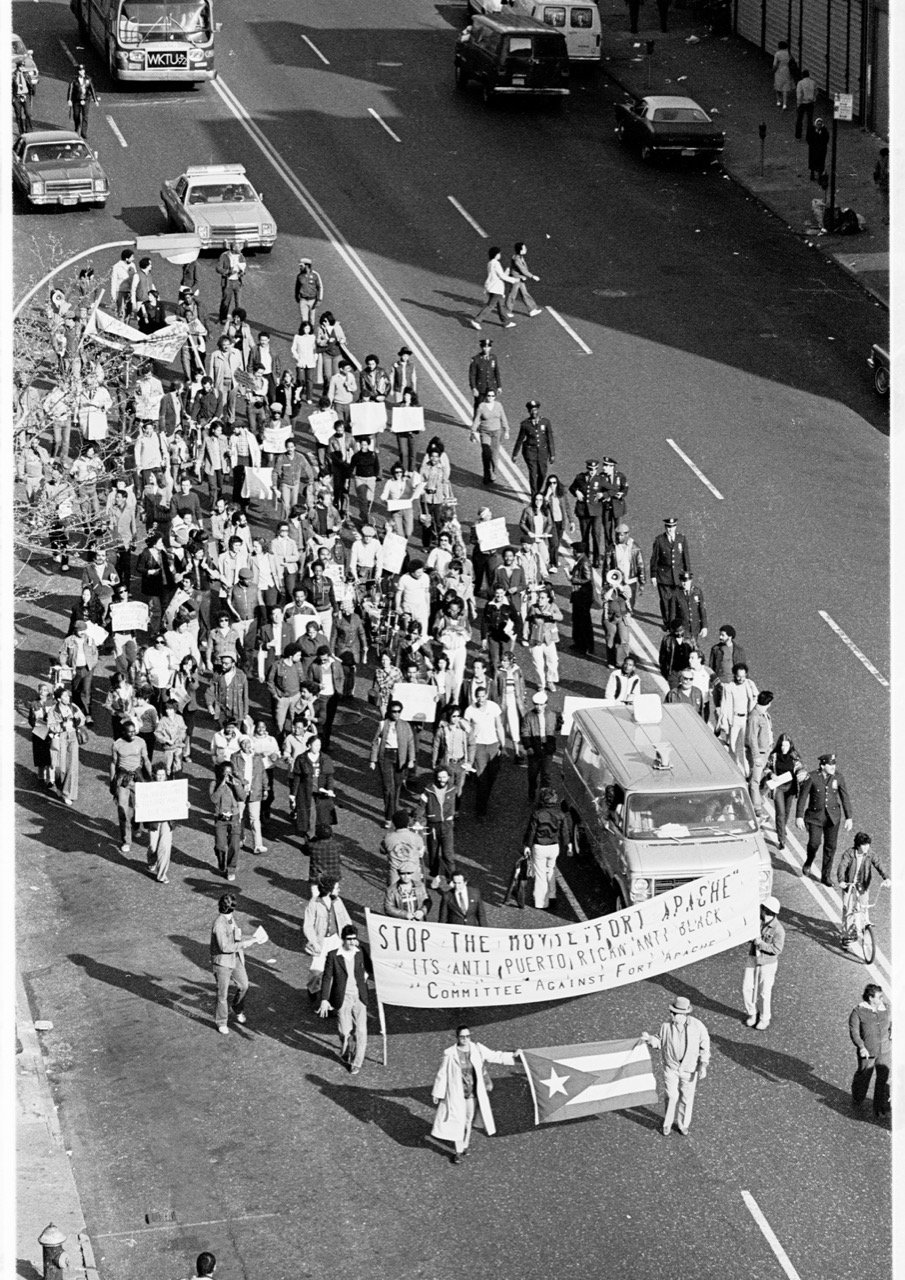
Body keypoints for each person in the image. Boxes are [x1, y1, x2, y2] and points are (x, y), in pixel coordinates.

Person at [431, 1027, 518, 1163]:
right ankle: (458, 1151)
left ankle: (465, 1144)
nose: (465, 1039)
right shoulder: (449, 1053)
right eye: (462, 1037)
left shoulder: (477, 1049)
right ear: (457, 1038)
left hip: (472, 1092)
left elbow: (495, 1055)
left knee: (468, 1120)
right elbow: (442, 1074)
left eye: (467, 1036)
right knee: (458, 1120)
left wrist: (513, 1055)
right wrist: (437, 1093)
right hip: (457, 1093)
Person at [641, 996, 711, 1136]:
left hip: (689, 1069)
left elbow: (705, 1047)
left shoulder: (698, 1027)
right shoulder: (666, 1026)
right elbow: (659, 1041)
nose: (671, 1015)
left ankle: (683, 1124)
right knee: (671, 1096)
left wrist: (703, 1065)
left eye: (674, 1013)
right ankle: (667, 1124)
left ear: (683, 1014)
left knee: (686, 1097)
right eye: (671, 1012)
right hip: (671, 1067)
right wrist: (649, 1039)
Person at [317, 925, 371, 1075]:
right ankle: (347, 1049)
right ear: (343, 939)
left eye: (355, 939)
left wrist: (365, 951)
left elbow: (371, 968)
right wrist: (324, 999)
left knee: (361, 1031)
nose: (352, 942)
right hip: (342, 997)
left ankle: (356, 1062)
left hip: (360, 997)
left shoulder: (360, 953)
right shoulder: (333, 955)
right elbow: (327, 977)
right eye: (349, 939)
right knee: (344, 1031)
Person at [795, 752, 853, 884]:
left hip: (833, 818)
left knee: (830, 847)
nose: (833, 767)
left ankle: (825, 876)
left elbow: (845, 797)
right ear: (822, 765)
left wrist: (849, 817)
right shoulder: (812, 777)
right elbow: (803, 797)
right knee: (814, 843)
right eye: (830, 764)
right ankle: (809, 861)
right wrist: (799, 816)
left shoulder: (838, 777)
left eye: (834, 764)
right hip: (815, 817)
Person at [210, 893, 261, 1035]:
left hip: (234, 958)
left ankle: (237, 1008)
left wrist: (252, 938)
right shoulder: (219, 924)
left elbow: (236, 937)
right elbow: (225, 947)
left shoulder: (230, 919)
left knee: (244, 985)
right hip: (223, 963)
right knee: (222, 994)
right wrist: (245, 943)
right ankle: (221, 1021)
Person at [834, 833, 890, 946]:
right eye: (864, 845)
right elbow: (842, 867)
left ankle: (864, 925)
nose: (867, 847)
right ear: (858, 845)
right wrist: (841, 881)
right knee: (848, 909)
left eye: (868, 845)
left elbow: (878, 863)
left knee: (864, 906)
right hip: (849, 884)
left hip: (862, 884)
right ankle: (846, 935)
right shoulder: (849, 854)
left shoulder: (869, 854)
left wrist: (886, 877)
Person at [303, 876, 351, 1000]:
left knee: (336, 969)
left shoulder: (338, 901)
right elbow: (308, 925)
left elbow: (346, 920)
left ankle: (331, 998)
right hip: (321, 941)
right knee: (316, 970)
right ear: (329, 890)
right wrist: (314, 942)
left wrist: (349, 937)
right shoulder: (314, 903)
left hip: (336, 939)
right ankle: (312, 988)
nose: (339, 890)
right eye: (336, 888)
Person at [523, 787, 571, 909]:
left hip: (540, 846)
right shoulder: (560, 815)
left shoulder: (537, 814)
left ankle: (541, 902)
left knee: (540, 875)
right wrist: (568, 844)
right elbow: (564, 832)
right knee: (551, 871)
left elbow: (531, 832)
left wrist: (527, 846)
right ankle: (552, 895)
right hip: (554, 847)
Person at [369, 700, 416, 825]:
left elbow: (411, 742)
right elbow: (375, 742)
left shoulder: (405, 725)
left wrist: (411, 759)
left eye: (398, 712)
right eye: (393, 711)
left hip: (400, 757)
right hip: (386, 757)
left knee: (397, 786)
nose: (396, 714)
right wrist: (373, 759)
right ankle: (388, 817)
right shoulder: (383, 724)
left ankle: (394, 812)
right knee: (388, 788)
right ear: (389, 712)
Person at [848, 984, 891, 1118]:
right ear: (871, 998)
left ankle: (881, 1107)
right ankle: (858, 1097)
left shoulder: (886, 1009)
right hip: (868, 1051)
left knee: (883, 1079)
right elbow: (854, 1032)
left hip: (884, 1050)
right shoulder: (858, 1012)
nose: (882, 999)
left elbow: (892, 1023)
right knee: (864, 1076)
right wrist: (861, 1046)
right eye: (879, 997)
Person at [463, 686, 505, 819]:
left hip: (493, 745)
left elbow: (499, 726)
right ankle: (480, 809)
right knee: (482, 778)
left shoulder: (493, 707)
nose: (480, 699)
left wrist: (502, 744)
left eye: (483, 696)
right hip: (479, 746)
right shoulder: (470, 710)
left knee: (492, 776)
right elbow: (465, 726)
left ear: (487, 695)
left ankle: (484, 798)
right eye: (478, 696)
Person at [743, 896, 784, 1030]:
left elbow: (777, 949)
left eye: (763, 909)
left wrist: (760, 944)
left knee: (764, 992)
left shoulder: (778, 930)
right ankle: (752, 1013)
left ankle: (764, 1018)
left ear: (768, 911)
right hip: (753, 958)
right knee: (747, 987)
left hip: (768, 963)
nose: (761, 911)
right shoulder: (757, 922)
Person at [210, 760, 247, 881]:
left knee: (234, 845)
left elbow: (242, 797)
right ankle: (221, 859)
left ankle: (231, 869)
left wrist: (236, 784)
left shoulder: (236, 782)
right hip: (221, 818)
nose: (228, 775)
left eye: (230, 773)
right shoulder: (214, 783)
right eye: (225, 773)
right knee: (220, 845)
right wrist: (222, 785)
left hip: (234, 817)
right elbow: (214, 799)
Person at [650, 517, 691, 627]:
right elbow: (654, 559)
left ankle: (677, 623)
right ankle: (668, 623)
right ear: (665, 527)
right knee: (666, 601)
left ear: (676, 527)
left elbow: (685, 558)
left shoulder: (681, 539)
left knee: (678, 600)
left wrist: (688, 576)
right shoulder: (659, 540)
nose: (670, 529)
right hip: (663, 576)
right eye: (668, 527)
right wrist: (653, 575)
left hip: (678, 577)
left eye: (672, 526)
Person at [422, 766, 457, 887]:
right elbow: (421, 805)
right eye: (440, 777)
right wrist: (417, 819)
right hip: (433, 825)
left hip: (447, 825)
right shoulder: (429, 789)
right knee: (433, 853)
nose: (442, 780)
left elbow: (453, 805)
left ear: (448, 777)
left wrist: (451, 816)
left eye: (444, 777)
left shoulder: (452, 789)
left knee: (448, 854)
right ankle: (435, 876)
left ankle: (452, 880)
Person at [512, 400, 555, 497]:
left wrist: (552, 454)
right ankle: (534, 494)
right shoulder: (525, 424)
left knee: (543, 473)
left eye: (535, 410)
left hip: (543, 452)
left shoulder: (545, 422)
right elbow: (520, 439)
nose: (534, 412)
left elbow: (550, 438)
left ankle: (538, 490)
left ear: (538, 410)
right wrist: (515, 454)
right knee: (533, 473)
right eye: (531, 410)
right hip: (530, 452)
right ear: (529, 412)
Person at [470, 246, 518, 329]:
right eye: (499, 253)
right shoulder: (496, 263)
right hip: (496, 288)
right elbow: (501, 276)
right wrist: (514, 280)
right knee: (490, 305)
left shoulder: (490, 263)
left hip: (493, 287)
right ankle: (477, 320)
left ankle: (506, 322)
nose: (500, 255)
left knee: (500, 305)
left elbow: (498, 275)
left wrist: (505, 272)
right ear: (496, 254)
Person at [569, 460, 605, 567]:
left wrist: (603, 495)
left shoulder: (601, 479)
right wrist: (576, 492)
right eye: (590, 469)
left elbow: (608, 490)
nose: (592, 471)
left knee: (596, 534)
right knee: (585, 536)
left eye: (594, 469)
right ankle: (586, 557)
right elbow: (572, 487)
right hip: (583, 511)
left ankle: (596, 558)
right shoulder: (580, 477)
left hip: (596, 511)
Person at [470, 390, 510, 487]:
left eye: (492, 395)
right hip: (485, 432)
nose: (490, 397)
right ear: (486, 396)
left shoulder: (498, 405)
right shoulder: (482, 406)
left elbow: (503, 418)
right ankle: (486, 474)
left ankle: (494, 472)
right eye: (488, 395)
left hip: (496, 432)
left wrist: (506, 430)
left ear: (495, 396)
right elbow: (477, 419)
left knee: (494, 454)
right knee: (486, 453)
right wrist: (472, 432)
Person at [745, 690, 774, 819]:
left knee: (763, 776)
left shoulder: (763, 714)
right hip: (760, 753)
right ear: (769, 703)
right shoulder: (755, 716)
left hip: (766, 751)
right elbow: (752, 738)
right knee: (755, 780)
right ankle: (756, 807)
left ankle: (757, 797)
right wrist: (756, 756)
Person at [506, 241, 543, 317]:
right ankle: (507, 310)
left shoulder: (520, 257)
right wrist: (532, 276)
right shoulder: (517, 259)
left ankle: (532, 310)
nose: (526, 249)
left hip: (520, 278)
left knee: (524, 293)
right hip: (515, 279)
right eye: (524, 248)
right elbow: (522, 269)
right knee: (512, 295)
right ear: (520, 250)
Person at [569, 551, 595, 655]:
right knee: (577, 620)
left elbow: (587, 579)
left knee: (584, 622)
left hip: (583, 597)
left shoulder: (584, 562)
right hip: (579, 596)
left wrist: (573, 579)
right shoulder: (580, 561)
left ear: (576, 551)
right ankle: (579, 643)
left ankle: (586, 646)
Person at [217, 239, 246, 325]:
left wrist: (242, 272)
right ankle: (223, 318)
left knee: (238, 302)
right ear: (233, 247)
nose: (239, 248)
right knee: (226, 301)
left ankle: (238, 319)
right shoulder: (224, 256)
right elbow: (218, 268)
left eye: (239, 247)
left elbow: (244, 266)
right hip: (228, 282)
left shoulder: (241, 256)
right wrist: (228, 271)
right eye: (237, 246)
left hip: (238, 281)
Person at [468, 337, 502, 409]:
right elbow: (472, 375)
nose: (486, 349)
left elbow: (496, 372)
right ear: (481, 347)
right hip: (481, 388)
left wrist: (499, 386)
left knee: (490, 406)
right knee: (479, 406)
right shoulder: (476, 359)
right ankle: (476, 420)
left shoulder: (493, 358)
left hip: (491, 387)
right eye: (484, 347)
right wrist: (474, 388)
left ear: (490, 348)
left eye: (488, 347)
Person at [66, 64, 99, 137]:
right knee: (76, 115)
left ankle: (84, 132)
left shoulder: (88, 79)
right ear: (78, 72)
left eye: (82, 70)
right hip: (76, 100)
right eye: (80, 70)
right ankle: (77, 127)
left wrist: (95, 100)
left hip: (86, 99)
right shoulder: (74, 80)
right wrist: (69, 99)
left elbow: (92, 89)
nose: (81, 72)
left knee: (85, 116)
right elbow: (70, 90)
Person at [294, 257, 324, 324]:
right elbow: (297, 287)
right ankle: (305, 333)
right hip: (303, 300)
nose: (300, 268)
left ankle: (311, 333)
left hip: (312, 300)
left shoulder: (315, 275)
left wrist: (319, 299)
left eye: (301, 266)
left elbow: (320, 287)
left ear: (307, 266)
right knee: (304, 319)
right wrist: (297, 296)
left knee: (311, 319)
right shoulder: (300, 276)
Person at [795, 68, 817, 139]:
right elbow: (816, 91)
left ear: (802, 75)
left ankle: (798, 136)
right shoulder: (813, 82)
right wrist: (814, 99)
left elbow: (799, 94)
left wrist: (798, 103)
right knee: (810, 120)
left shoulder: (800, 83)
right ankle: (809, 135)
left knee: (799, 120)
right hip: (810, 103)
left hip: (802, 103)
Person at [806, 117, 830, 182]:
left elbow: (826, 139)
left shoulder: (824, 130)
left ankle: (819, 176)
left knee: (821, 163)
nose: (819, 125)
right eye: (818, 124)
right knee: (813, 162)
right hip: (813, 149)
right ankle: (812, 174)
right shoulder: (812, 130)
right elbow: (808, 138)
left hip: (821, 150)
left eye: (820, 124)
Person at [772, 40, 795, 109]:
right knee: (785, 88)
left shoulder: (777, 54)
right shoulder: (788, 53)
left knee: (778, 85)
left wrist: (773, 70)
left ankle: (778, 101)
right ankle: (784, 104)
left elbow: (775, 64)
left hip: (779, 71)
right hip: (787, 71)